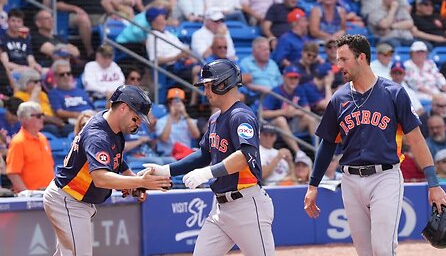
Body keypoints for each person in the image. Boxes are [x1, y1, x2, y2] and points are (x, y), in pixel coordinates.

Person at [304, 34, 446, 256]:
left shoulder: (393, 93)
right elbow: (327, 144)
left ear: (361, 57)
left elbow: (417, 140)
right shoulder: (339, 98)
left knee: (382, 249)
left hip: (385, 177)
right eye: (338, 60)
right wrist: (313, 185)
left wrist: (433, 184)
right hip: (350, 181)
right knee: (365, 252)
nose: (338, 65)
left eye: (344, 59)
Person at [143, 59, 275, 255]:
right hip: (220, 208)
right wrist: (166, 170)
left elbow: (244, 156)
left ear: (225, 84)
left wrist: (207, 173)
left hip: (246, 205)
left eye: (209, 85)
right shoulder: (215, 118)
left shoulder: (241, 115)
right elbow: (204, 154)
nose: (205, 92)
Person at [42, 85, 171, 256]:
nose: (139, 123)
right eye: (136, 118)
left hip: (74, 199)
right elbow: (101, 178)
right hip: (68, 200)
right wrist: (141, 181)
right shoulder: (98, 135)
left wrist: (130, 178)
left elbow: (115, 158)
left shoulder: (111, 125)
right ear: (123, 108)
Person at [6, 101, 54, 192]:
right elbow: (12, 173)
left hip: (47, 195)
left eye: (42, 115)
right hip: (31, 199)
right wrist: (27, 194)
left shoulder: (43, 138)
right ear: (25, 119)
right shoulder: (18, 142)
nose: (42, 118)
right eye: (38, 116)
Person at [155, 88, 201, 159]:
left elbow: (196, 135)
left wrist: (184, 113)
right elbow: (164, 138)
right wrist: (171, 116)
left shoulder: (188, 120)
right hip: (168, 156)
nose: (176, 104)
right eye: (172, 102)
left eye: (179, 101)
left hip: (185, 155)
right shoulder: (161, 121)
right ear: (169, 104)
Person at [47, 60, 94, 126]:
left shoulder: (81, 91)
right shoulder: (54, 93)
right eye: (62, 74)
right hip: (74, 121)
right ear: (55, 77)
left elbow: (93, 108)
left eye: (68, 73)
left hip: (91, 117)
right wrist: (78, 115)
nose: (66, 76)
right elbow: (59, 113)